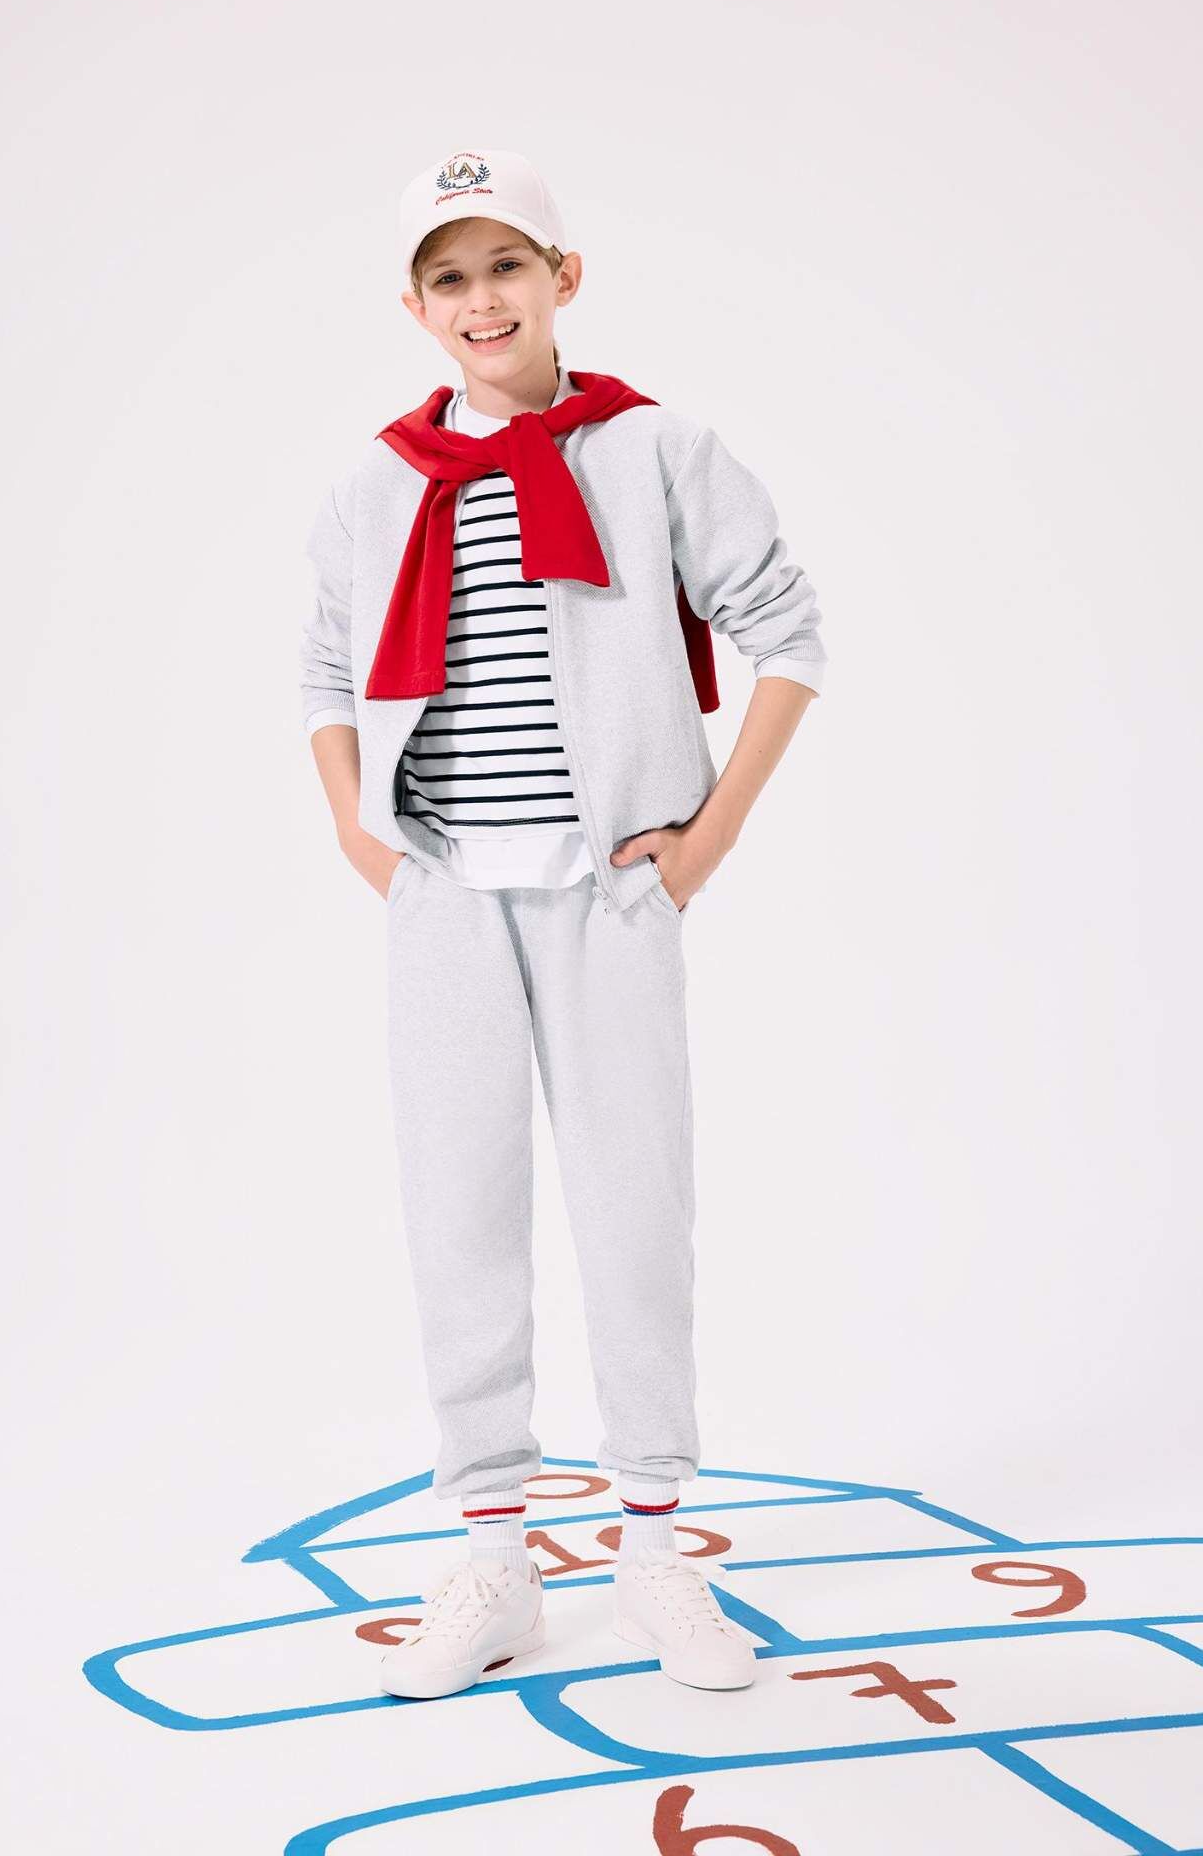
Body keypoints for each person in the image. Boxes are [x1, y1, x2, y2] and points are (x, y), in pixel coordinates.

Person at [299, 147, 828, 1701]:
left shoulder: (655, 449)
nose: (483, 300)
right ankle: (495, 1556)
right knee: (458, 1215)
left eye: (507, 267)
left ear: (561, 279)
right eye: (450, 278)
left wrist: (708, 838)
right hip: (444, 892)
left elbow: (790, 630)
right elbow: (325, 668)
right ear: (417, 306)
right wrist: (359, 830)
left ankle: (654, 1545)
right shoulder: (377, 483)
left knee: (633, 1208)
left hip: (614, 891)